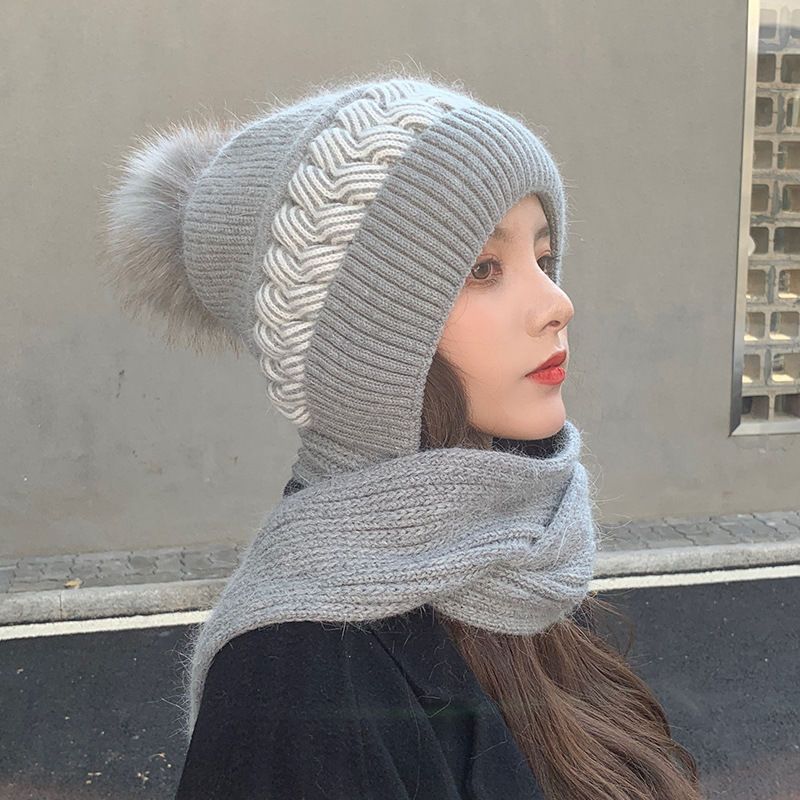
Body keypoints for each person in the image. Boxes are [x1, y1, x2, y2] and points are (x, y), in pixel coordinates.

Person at [99, 70, 704, 800]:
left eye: (543, 260)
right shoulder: (295, 684)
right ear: (366, 345)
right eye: (484, 268)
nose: (557, 302)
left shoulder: (520, 550)